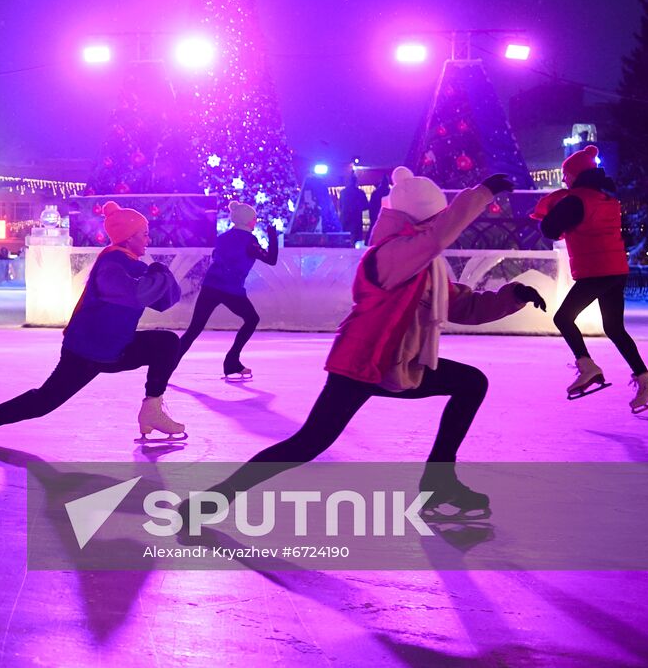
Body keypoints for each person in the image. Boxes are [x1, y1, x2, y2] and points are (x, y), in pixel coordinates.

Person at [190, 167, 546, 523]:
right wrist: (480, 194)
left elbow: (464, 306)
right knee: (307, 443)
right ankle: (213, 501)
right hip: (361, 364)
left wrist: (512, 296)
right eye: (438, 216)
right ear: (423, 218)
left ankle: (439, 482)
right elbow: (436, 239)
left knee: (471, 383)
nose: (442, 223)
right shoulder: (389, 254)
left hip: (400, 364)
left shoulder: (425, 265)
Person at [0, 201, 186, 443]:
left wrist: (158, 274)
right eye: (143, 234)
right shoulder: (112, 264)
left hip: (116, 349)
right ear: (129, 236)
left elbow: (164, 300)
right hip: (86, 353)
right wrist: (158, 273)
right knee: (43, 401)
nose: (148, 239)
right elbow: (138, 294)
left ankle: (151, 409)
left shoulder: (133, 265)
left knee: (166, 343)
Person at [531, 144, 648, 411]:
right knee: (614, 328)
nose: (564, 180)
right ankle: (646, 378)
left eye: (566, 175)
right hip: (616, 269)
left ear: (575, 175)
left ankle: (587, 367)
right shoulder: (605, 198)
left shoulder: (575, 200)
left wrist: (551, 210)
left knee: (563, 318)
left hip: (596, 270)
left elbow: (549, 228)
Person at [179, 201, 278, 380]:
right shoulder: (250, 241)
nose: (256, 221)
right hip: (230, 289)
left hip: (210, 285)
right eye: (254, 218)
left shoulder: (224, 237)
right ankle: (232, 360)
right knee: (252, 319)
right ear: (249, 221)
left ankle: (165, 365)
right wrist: (273, 237)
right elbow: (271, 259)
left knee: (194, 329)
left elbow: (216, 256)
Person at [340, 173, 369, 245]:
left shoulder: (343, 192)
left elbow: (340, 206)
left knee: (345, 239)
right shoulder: (360, 192)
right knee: (355, 240)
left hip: (345, 219)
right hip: (356, 219)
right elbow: (366, 206)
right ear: (356, 182)